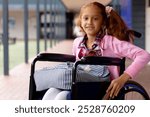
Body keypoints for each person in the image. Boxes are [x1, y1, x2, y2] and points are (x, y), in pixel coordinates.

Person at [43, 2, 150, 100]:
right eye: (86, 18)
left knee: (62, 97)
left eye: (95, 19)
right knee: (51, 92)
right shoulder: (77, 43)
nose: (89, 22)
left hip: (102, 88)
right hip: (79, 84)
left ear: (103, 22)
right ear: (81, 21)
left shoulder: (111, 42)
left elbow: (144, 55)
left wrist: (123, 78)